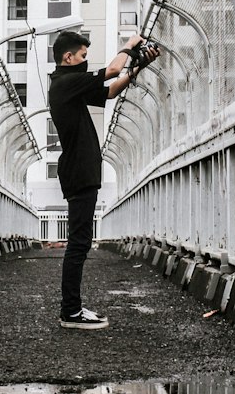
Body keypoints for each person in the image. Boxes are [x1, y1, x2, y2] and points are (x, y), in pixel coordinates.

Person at [48, 29, 160, 329]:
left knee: (80, 242)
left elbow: (109, 91)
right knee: (78, 244)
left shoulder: (70, 86)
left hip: (82, 172)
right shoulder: (64, 82)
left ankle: (72, 309)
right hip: (79, 172)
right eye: (83, 56)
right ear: (68, 57)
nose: (86, 61)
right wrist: (128, 45)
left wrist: (138, 68)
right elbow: (111, 71)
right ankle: (70, 312)